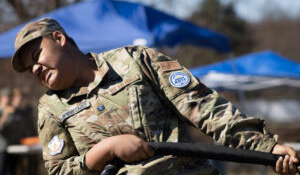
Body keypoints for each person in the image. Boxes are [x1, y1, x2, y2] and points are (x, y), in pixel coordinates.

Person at [11, 18, 299, 175]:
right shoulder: (50, 108)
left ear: (59, 39)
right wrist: (105, 150)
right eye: (28, 68)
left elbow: (204, 106)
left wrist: (264, 147)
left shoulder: (136, 61)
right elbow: (60, 172)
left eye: (37, 56)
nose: (35, 68)